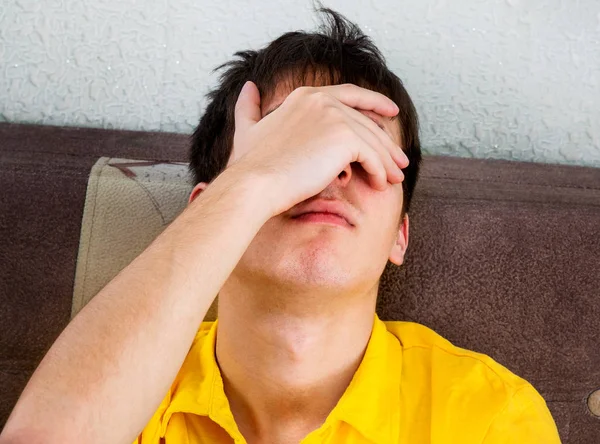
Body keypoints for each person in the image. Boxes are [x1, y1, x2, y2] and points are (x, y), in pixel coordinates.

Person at [1, 7, 560, 444]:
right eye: (293, 146)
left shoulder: (489, 416)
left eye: (364, 153)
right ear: (207, 208)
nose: (333, 170)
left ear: (400, 235)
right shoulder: (128, 388)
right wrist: (252, 184)